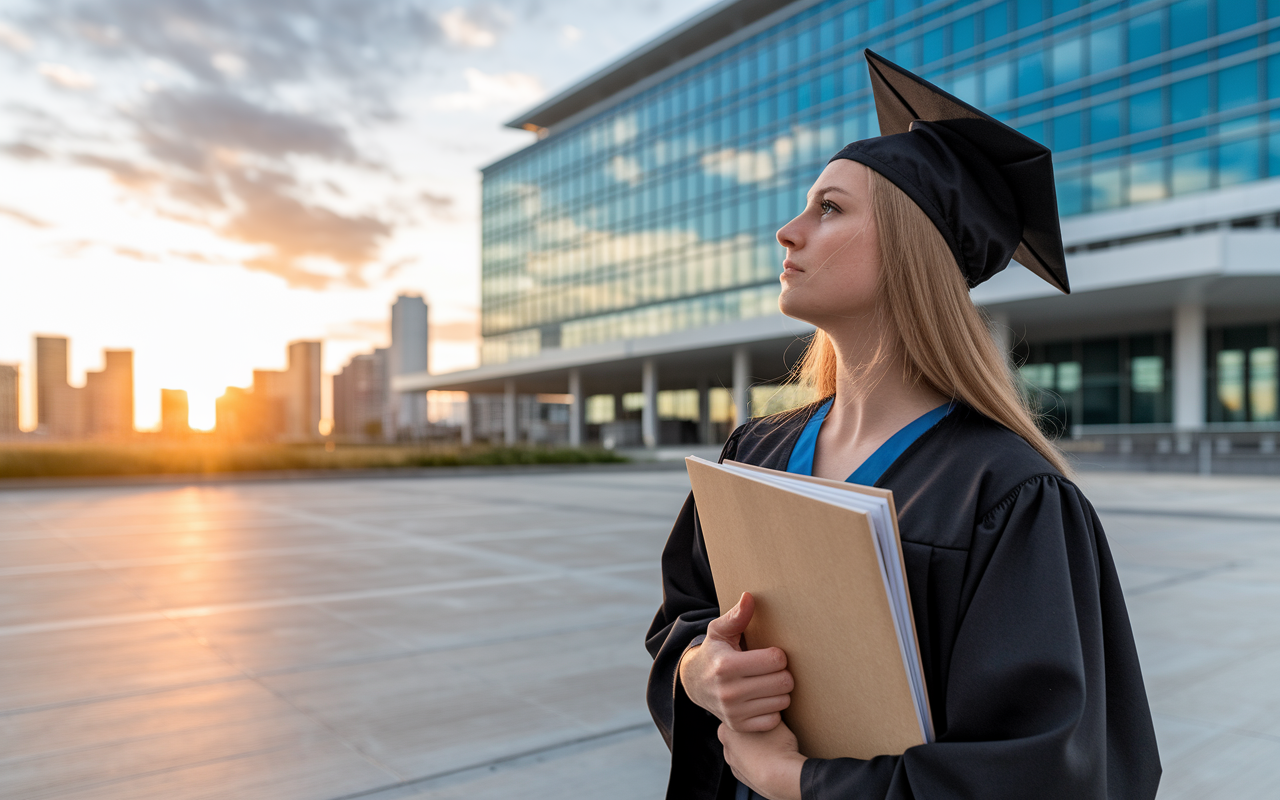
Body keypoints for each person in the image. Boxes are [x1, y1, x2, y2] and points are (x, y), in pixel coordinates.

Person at [644, 50, 1161, 800]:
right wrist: (703, 671)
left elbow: (1043, 773)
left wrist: (800, 781)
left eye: (829, 208)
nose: (788, 232)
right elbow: (683, 616)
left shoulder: (1008, 496)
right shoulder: (753, 450)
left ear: (912, 247)